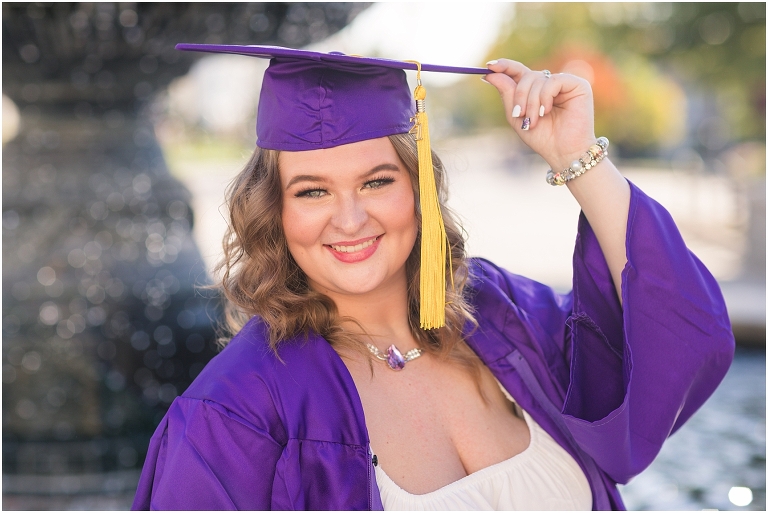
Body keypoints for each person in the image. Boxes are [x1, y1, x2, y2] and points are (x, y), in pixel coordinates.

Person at [131, 45, 734, 511]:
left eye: (377, 181)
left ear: (418, 188)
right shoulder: (237, 412)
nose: (349, 218)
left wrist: (576, 158)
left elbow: (683, 334)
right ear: (275, 211)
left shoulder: (502, 317)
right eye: (311, 191)